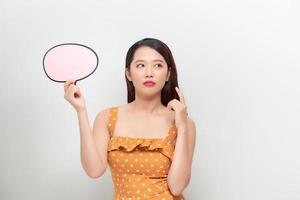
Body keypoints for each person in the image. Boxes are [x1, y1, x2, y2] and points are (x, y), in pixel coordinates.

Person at [64, 38, 196, 200]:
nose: (149, 73)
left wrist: (182, 127)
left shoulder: (184, 123)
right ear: (128, 74)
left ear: (168, 74)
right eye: (141, 65)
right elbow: (94, 170)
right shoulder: (107, 118)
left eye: (158, 65)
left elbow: (177, 187)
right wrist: (81, 110)